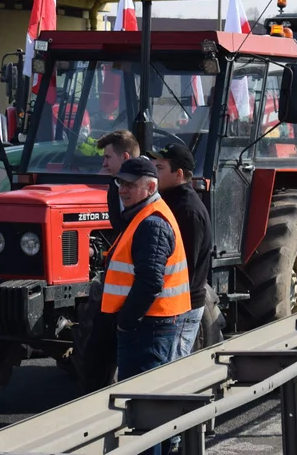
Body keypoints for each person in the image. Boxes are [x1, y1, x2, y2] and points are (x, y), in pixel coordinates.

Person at [102, 157, 190, 455]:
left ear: (150, 186)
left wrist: (125, 320)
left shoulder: (151, 223)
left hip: (149, 326)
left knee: (142, 409)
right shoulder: (144, 215)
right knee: (151, 404)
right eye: (121, 183)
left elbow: (150, 282)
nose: (123, 190)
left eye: (130, 185)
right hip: (153, 324)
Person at [148, 142, 212, 358]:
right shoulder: (169, 202)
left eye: (159, 169)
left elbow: (186, 268)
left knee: (172, 366)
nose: (153, 175)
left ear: (179, 174)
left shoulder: (187, 211)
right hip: (171, 305)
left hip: (183, 308)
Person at [97, 130, 140, 233]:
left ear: (125, 157)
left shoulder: (146, 188)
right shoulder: (114, 186)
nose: (104, 164)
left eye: (108, 157)